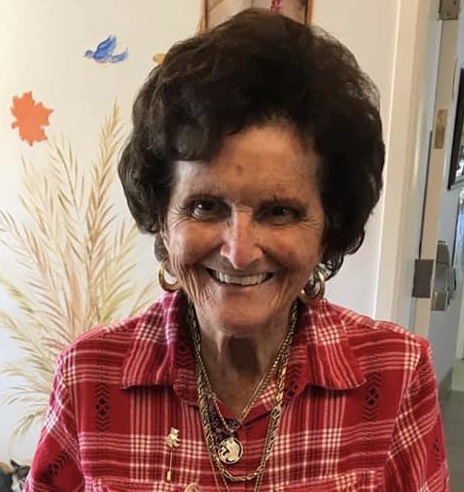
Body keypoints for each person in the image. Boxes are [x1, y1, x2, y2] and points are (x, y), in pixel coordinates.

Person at [25, 8, 449, 492]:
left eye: (280, 211)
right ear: (161, 216)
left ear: (329, 226)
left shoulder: (396, 374)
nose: (239, 252)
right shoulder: (88, 375)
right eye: (205, 206)